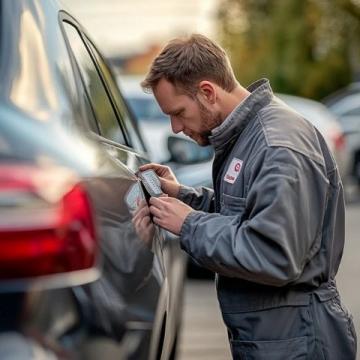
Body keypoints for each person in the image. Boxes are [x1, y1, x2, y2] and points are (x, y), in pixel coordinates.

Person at [139, 34, 357, 359]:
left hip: (297, 342)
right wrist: (185, 197)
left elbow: (273, 253)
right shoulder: (249, 135)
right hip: (280, 336)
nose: (174, 127)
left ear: (208, 92)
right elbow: (247, 216)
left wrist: (190, 225)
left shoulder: (277, 146)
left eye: (179, 112)